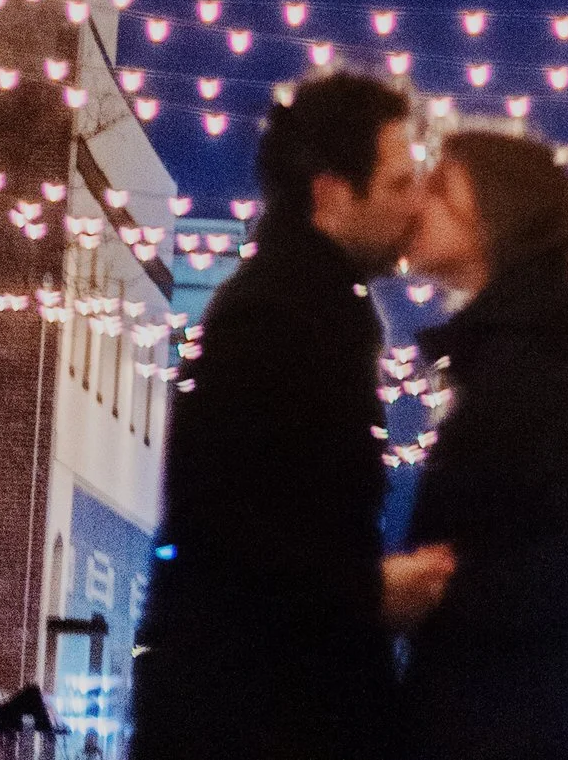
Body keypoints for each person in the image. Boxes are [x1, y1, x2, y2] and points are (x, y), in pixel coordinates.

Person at [129, 72, 451, 760]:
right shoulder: (278, 318)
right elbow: (237, 532)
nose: (415, 203)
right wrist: (372, 592)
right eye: (398, 183)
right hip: (261, 719)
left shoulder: (306, 306)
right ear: (333, 192)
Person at [397, 125, 568, 760]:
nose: (415, 202)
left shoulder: (540, 353)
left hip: (524, 723)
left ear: (496, 216)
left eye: (439, 188)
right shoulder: (520, 345)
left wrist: (442, 586)